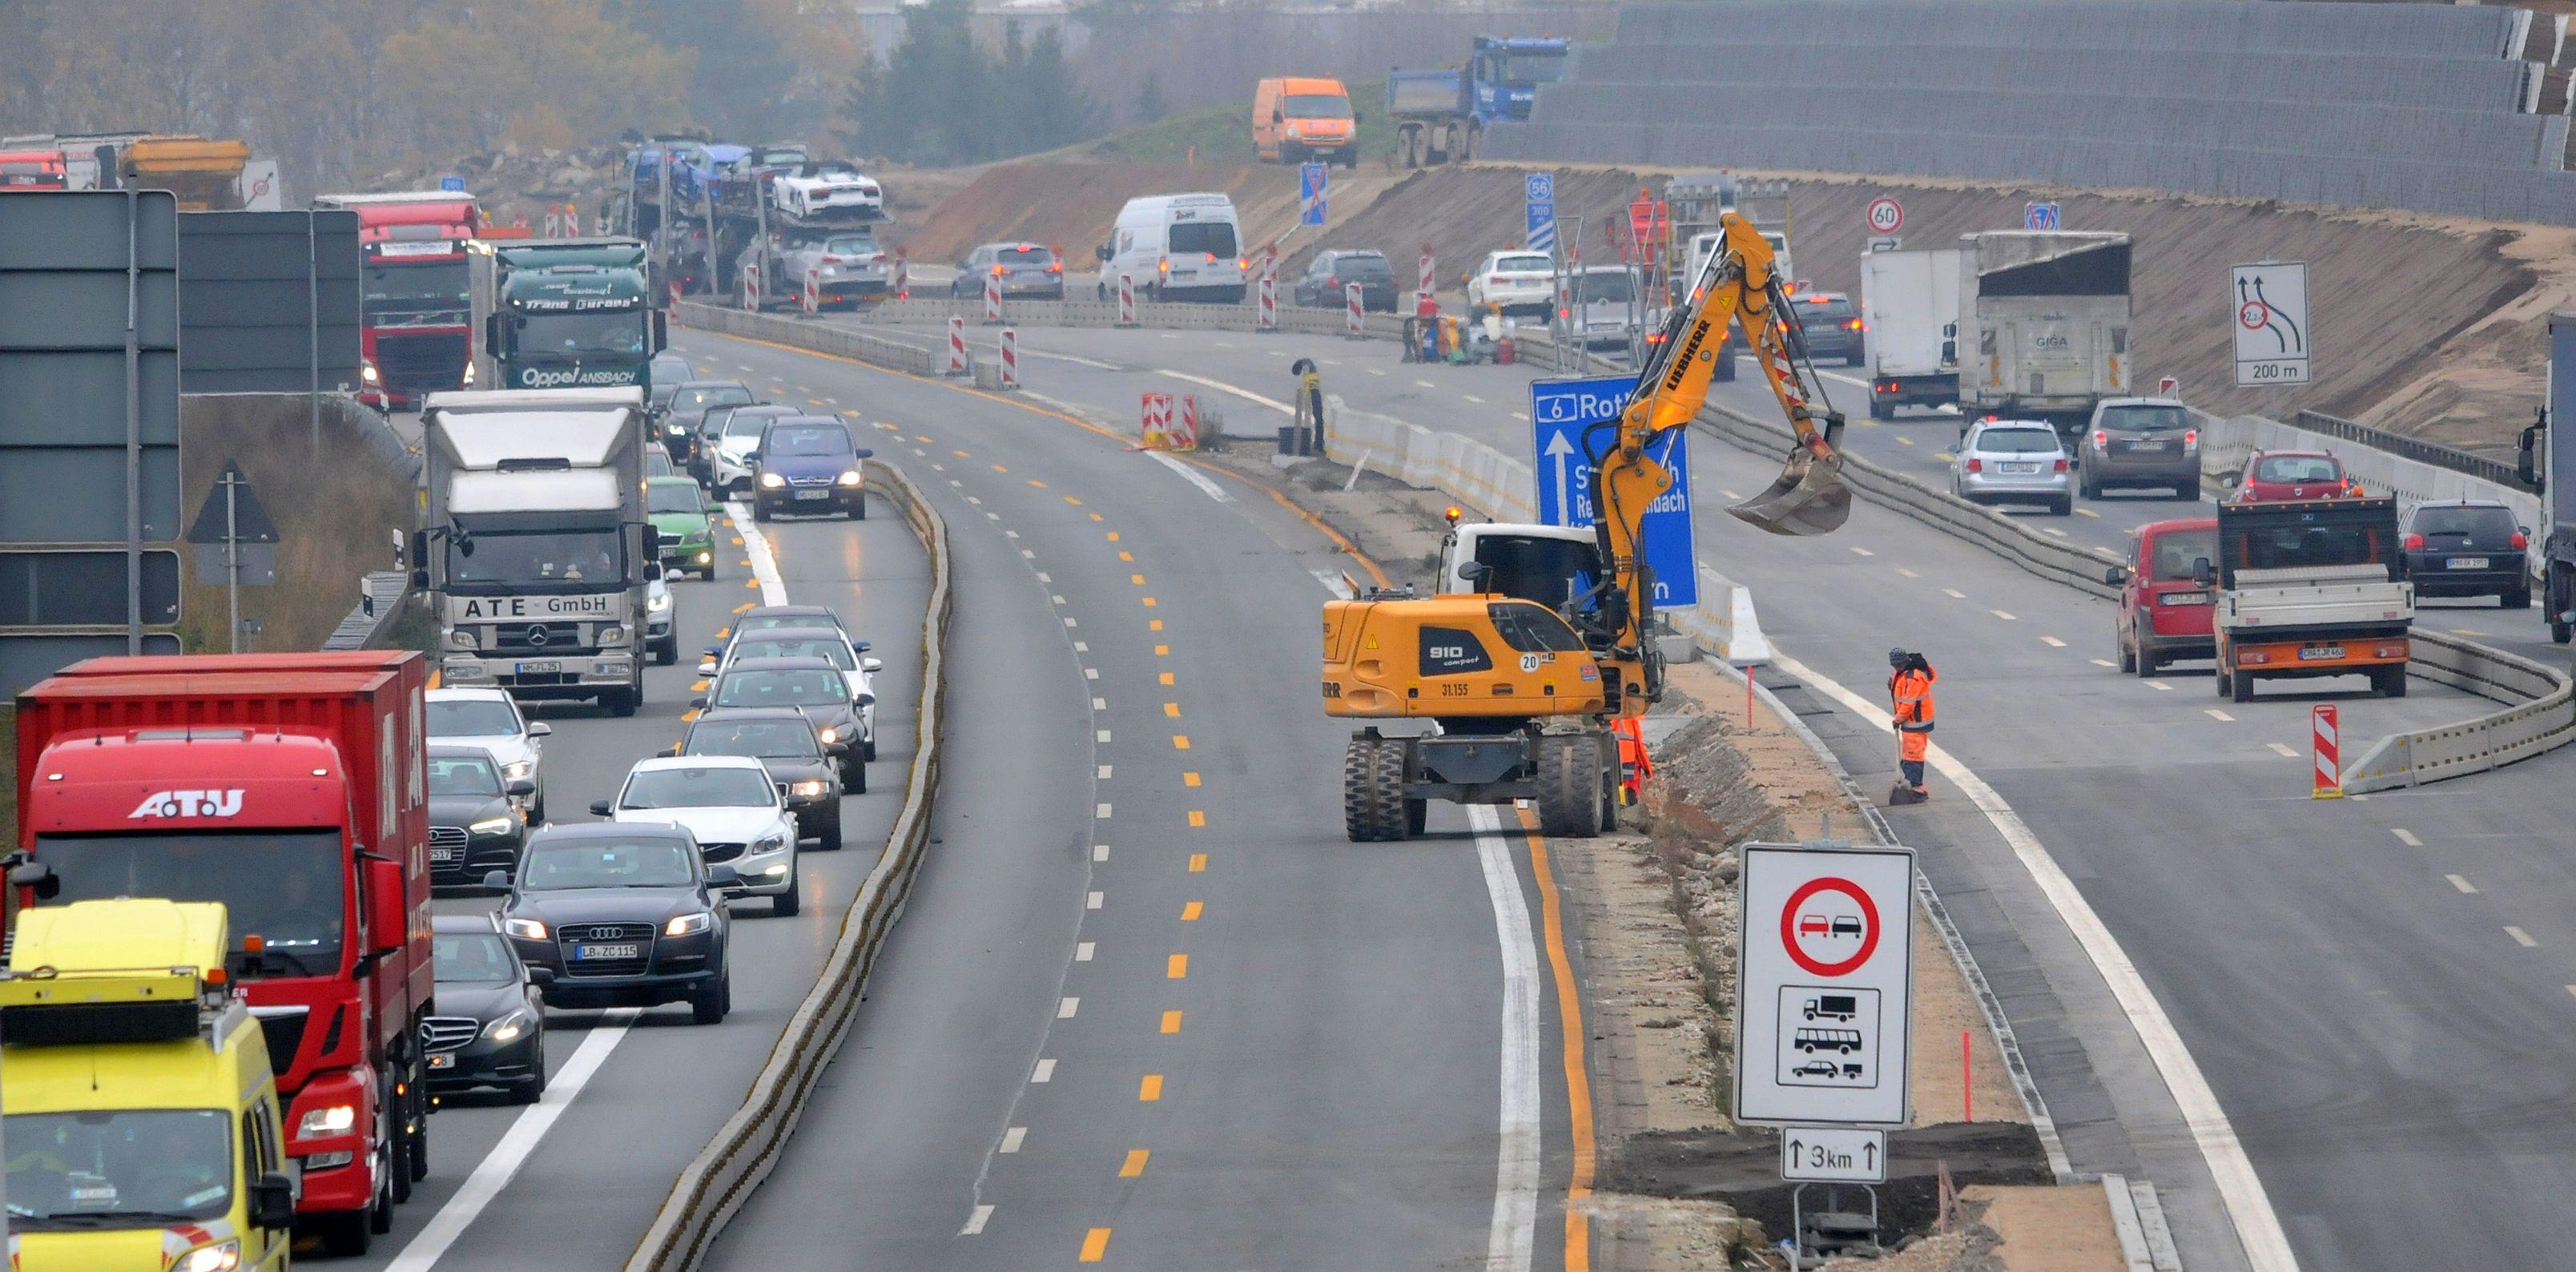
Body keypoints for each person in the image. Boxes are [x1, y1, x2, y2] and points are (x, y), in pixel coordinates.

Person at [1887, 648, 1937, 803]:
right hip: (1911, 723)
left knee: (1912, 756)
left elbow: (1909, 703)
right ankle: (1915, 786)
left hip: (1916, 723)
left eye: (1898, 666)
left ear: (1904, 663)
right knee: (1910, 756)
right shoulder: (1902, 674)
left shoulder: (1913, 678)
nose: (1896, 669)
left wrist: (1898, 719)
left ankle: (1917, 789)